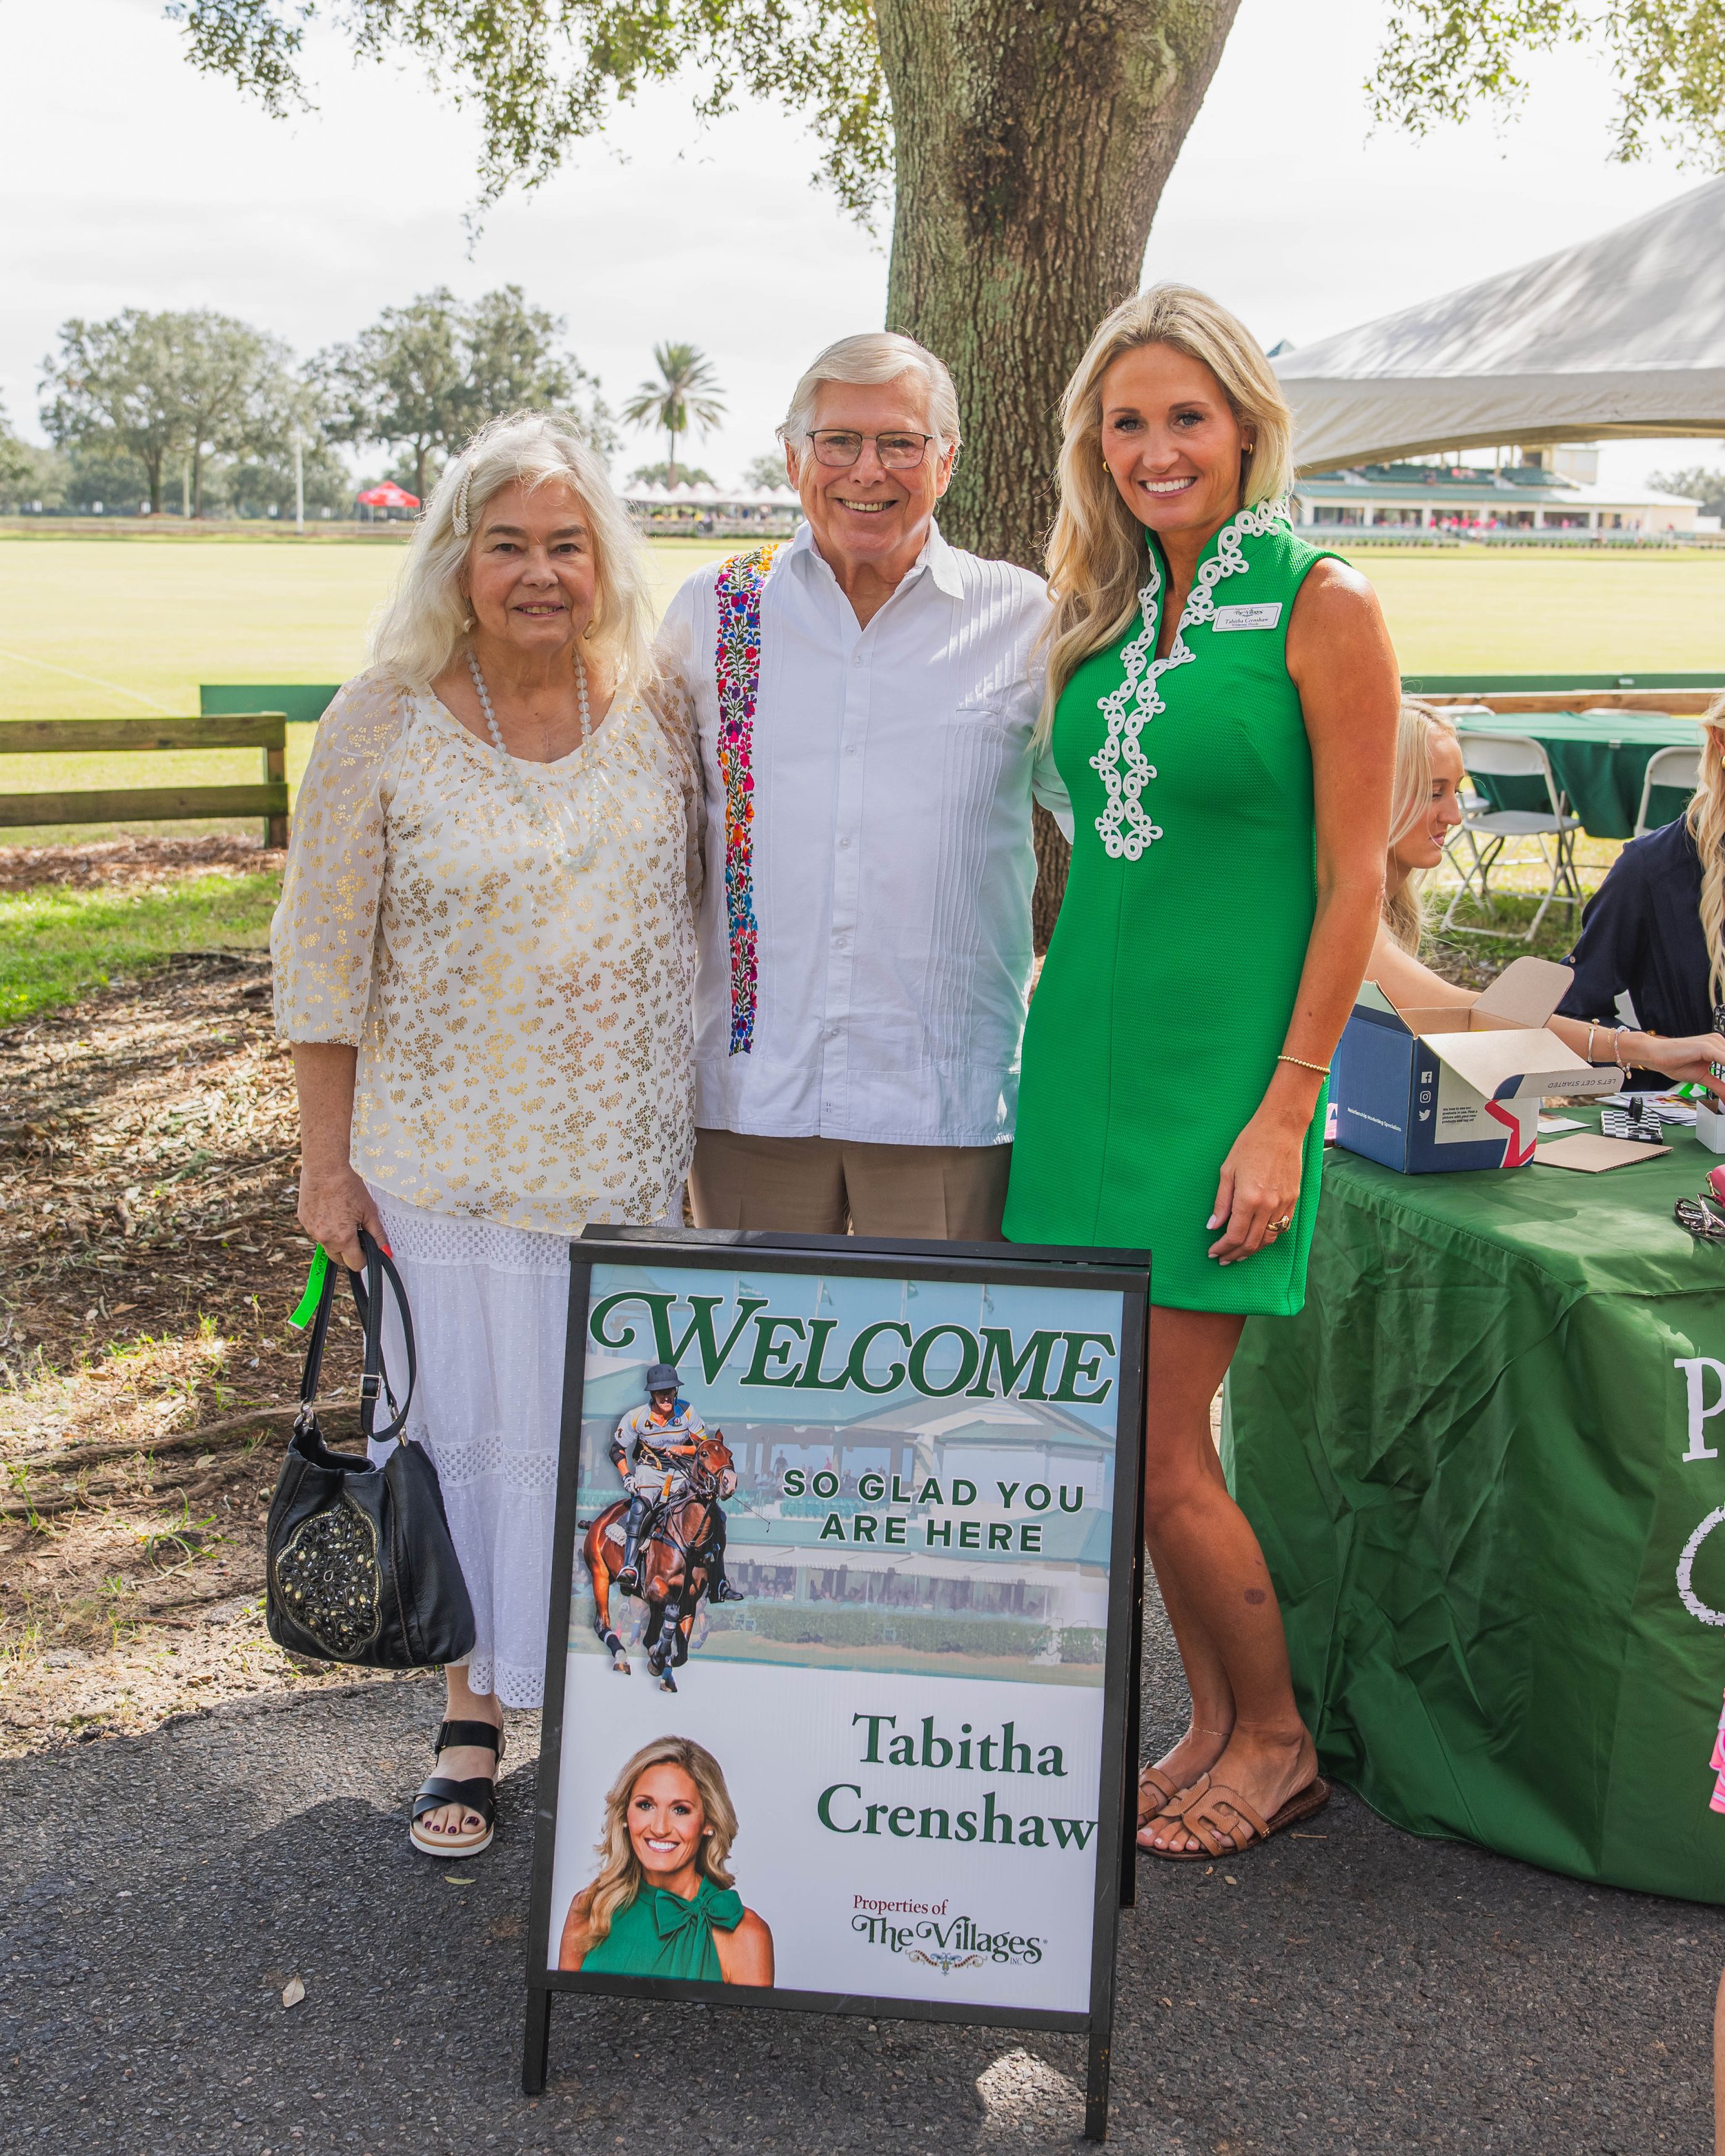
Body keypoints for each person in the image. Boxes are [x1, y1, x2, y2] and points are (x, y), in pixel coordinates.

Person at [1003, 286, 1400, 1861]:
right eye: (1128, 422)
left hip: (1224, 1095)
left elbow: (1354, 880)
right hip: (1078, 1068)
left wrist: (1285, 1110)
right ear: (1094, 448)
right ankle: (1215, 1723)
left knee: (1162, 1453)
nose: (1158, 447)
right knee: (1126, 1447)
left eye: (1186, 416)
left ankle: (1281, 1739)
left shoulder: (1322, 599)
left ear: (1244, 425)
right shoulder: (1097, 613)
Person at [274, 410, 702, 1859]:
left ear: (604, 560)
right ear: (456, 561)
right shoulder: (377, 718)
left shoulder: (658, 703)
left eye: (564, 545)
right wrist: (326, 1167)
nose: (536, 572)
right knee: (463, 1440)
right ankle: (469, 1711)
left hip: (628, 1162)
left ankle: (614, 1722)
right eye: (504, 543)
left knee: (617, 1453)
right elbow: (322, 961)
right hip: (442, 1161)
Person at [654, 330, 1065, 1239]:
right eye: (838, 441)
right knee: (752, 1369)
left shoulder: (1025, 622)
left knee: (943, 1375)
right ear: (792, 455)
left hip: (944, 1099)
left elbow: (1112, 837)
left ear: (947, 461)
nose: (865, 470)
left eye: (900, 443)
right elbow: (638, 836)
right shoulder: (714, 611)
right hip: (751, 1098)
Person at [1370, 699, 1725, 1093]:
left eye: (1457, 791)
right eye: (1435, 793)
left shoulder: (1388, 903)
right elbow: (1466, 1014)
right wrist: (1646, 1049)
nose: (1455, 815)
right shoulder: (1342, 914)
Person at [1553, 691, 1725, 1085]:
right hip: (1694, 1126)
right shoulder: (1652, 869)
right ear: (1721, 740)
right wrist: (1657, 1058)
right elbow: (1570, 1011)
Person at [558, 1737, 774, 1984]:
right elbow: (562, 2018)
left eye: (680, 1809)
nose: (660, 1828)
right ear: (625, 1815)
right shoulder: (589, 1909)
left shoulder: (746, 1934)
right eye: (646, 1805)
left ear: (709, 1822)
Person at [609, 1361, 742, 1601]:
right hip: (649, 1470)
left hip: (681, 1471)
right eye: (661, 1393)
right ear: (653, 1394)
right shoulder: (636, 1417)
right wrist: (627, 1476)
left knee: (716, 1515)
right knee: (640, 1508)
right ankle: (629, 1567)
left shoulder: (687, 1412)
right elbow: (617, 1450)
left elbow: (705, 1449)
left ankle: (719, 1582)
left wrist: (682, 1449)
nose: (666, 1397)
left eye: (670, 1392)